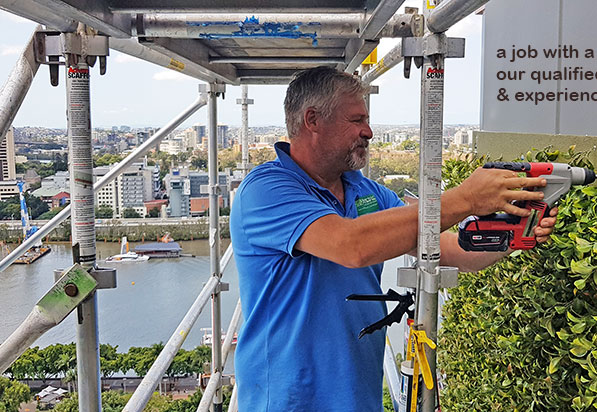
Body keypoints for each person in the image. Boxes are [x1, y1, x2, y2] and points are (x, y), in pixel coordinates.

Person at [229, 66, 558, 412]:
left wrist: (513, 231)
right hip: (288, 402)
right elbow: (350, 246)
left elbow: (446, 247)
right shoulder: (267, 189)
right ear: (312, 120)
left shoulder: (367, 193)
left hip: (358, 399)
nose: (368, 131)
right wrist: (466, 199)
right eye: (356, 120)